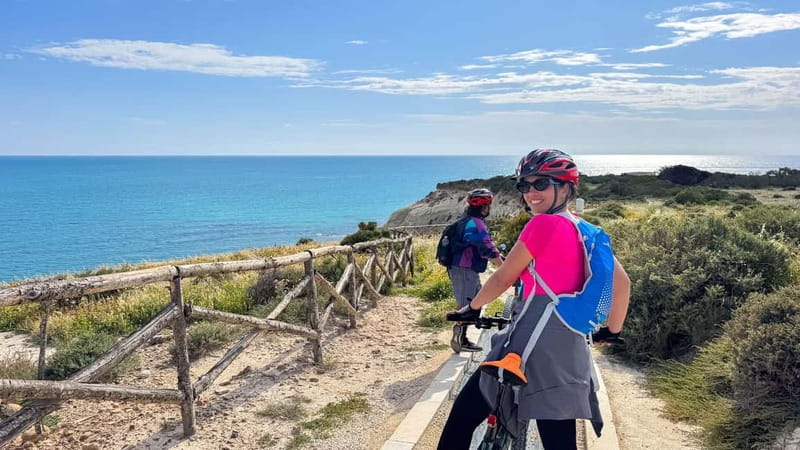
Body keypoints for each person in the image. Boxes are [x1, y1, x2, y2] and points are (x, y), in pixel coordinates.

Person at [437, 149, 631, 450]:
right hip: (569, 350)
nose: (530, 193)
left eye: (541, 184)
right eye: (524, 186)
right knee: (559, 441)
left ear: (566, 187)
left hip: (530, 345)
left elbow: (503, 277)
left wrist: (472, 309)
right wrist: (611, 331)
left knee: (461, 420)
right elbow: (623, 285)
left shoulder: (544, 225)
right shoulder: (587, 230)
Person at [447, 188, 504, 353]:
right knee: (466, 305)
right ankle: (460, 339)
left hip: (462, 268)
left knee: (473, 300)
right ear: (485, 207)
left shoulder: (468, 220)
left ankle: (462, 337)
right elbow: (488, 248)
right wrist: (505, 268)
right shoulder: (476, 223)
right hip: (463, 269)